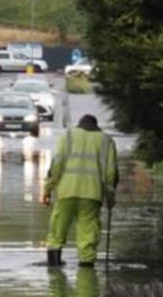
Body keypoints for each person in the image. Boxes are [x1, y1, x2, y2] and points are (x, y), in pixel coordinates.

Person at [43, 113, 119, 268]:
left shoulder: (68, 136)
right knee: (88, 231)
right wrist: (110, 199)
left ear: (79, 124)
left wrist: (47, 190)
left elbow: (56, 166)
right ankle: (86, 267)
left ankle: (54, 265)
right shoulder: (106, 141)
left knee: (58, 228)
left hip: (66, 192)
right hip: (92, 194)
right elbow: (111, 174)